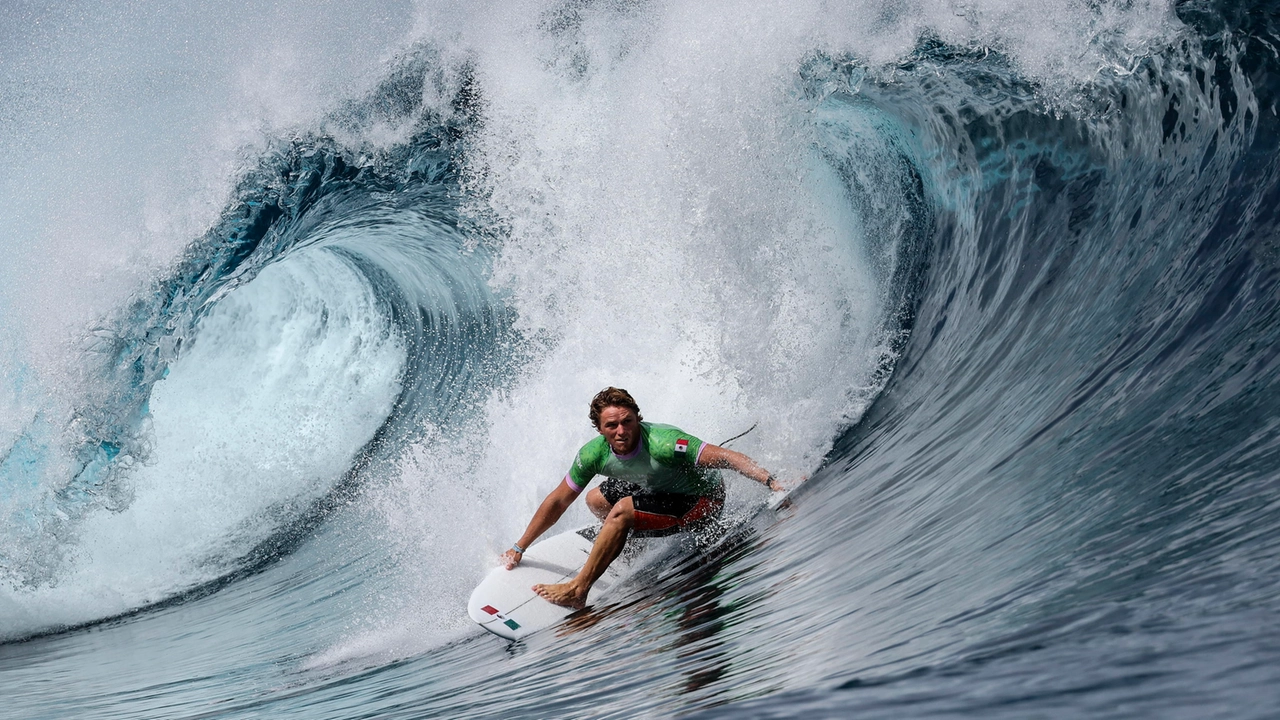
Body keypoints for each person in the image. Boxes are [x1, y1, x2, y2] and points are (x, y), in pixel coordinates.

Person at [501, 387, 781, 609]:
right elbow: (559, 500)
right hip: (658, 489)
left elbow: (724, 456)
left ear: (638, 418)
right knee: (595, 499)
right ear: (599, 430)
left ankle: (578, 589)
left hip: (702, 501)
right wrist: (520, 546)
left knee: (622, 511)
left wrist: (772, 482)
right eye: (612, 425)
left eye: (627, 422)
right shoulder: (593, 454)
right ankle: (625, 542)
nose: (622, 431)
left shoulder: (665, 443)